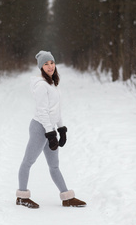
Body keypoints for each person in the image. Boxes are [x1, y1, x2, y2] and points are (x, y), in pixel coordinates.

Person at [16, 50, 86, 209]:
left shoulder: (52, 84)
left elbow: (55, 110)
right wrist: (50, 132)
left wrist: (61, 129)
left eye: (51, 63)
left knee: (54, 165)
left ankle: (66, 197)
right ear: (41, 67)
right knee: (28, 161)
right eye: (46, 64)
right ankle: (22, 196)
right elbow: (42, 111)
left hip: (50, 128)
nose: (50, 66)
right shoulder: (41, 85)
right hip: (40, 128)